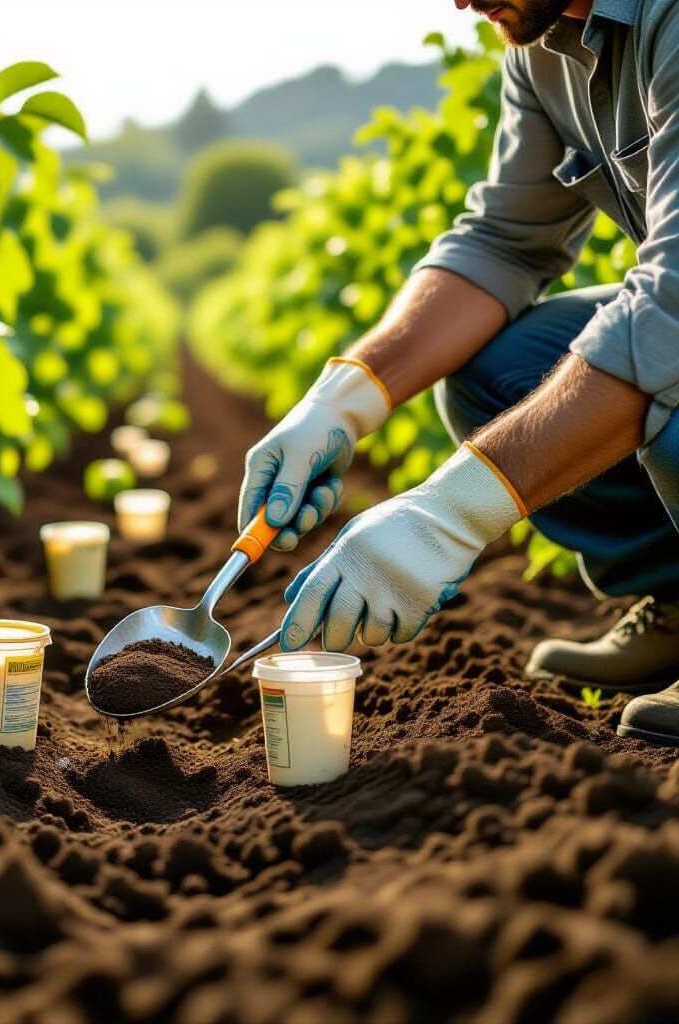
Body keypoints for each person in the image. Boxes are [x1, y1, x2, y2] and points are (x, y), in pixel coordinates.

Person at [240, 0, 679, 747]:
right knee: (504, 372)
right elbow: (506, 241)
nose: (460, 3)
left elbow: (673, 300)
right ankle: (674, 600)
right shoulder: (544, 45)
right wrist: (341, 399)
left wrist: (450, 513)